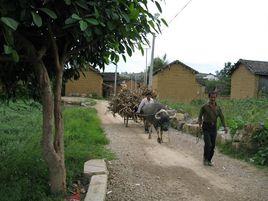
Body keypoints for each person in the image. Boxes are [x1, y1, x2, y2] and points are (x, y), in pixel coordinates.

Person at [198, 91, 227, 166]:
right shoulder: (204, 106)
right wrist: (200, 125)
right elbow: (200, 116)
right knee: (208, 144)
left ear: (216, 98)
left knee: (213, 145)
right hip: (206, 127)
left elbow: (222, 117)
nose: (213, 99)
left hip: (213, 128)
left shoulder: (218, 108)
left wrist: (225, 127)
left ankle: (209, 160)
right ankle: (205, 159)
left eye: (214, 97)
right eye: (211, 97)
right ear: (209, 97)